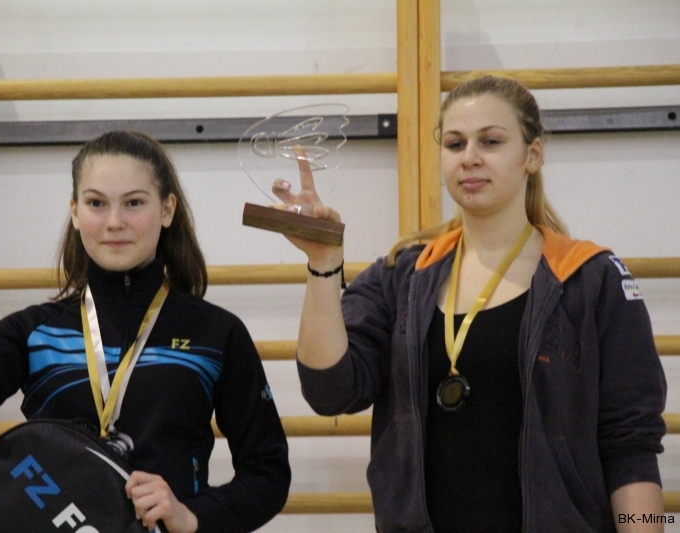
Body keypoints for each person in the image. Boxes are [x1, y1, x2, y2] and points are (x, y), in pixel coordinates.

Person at [272, 76, 667, 532]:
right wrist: (324, 263)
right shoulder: (401, 276)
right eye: (455, 144)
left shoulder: (591, 279)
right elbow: (330, 391)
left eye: (491, 141)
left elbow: (631, 445)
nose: (470, 157)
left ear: (532, 155)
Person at [0, 131, 291, 533]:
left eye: (134, 203)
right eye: (96, 203)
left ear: (167, 210)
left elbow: (267, 471)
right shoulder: (35, 332)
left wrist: (193, 517)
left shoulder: (215, 335)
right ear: (75, 212)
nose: (114, 222)